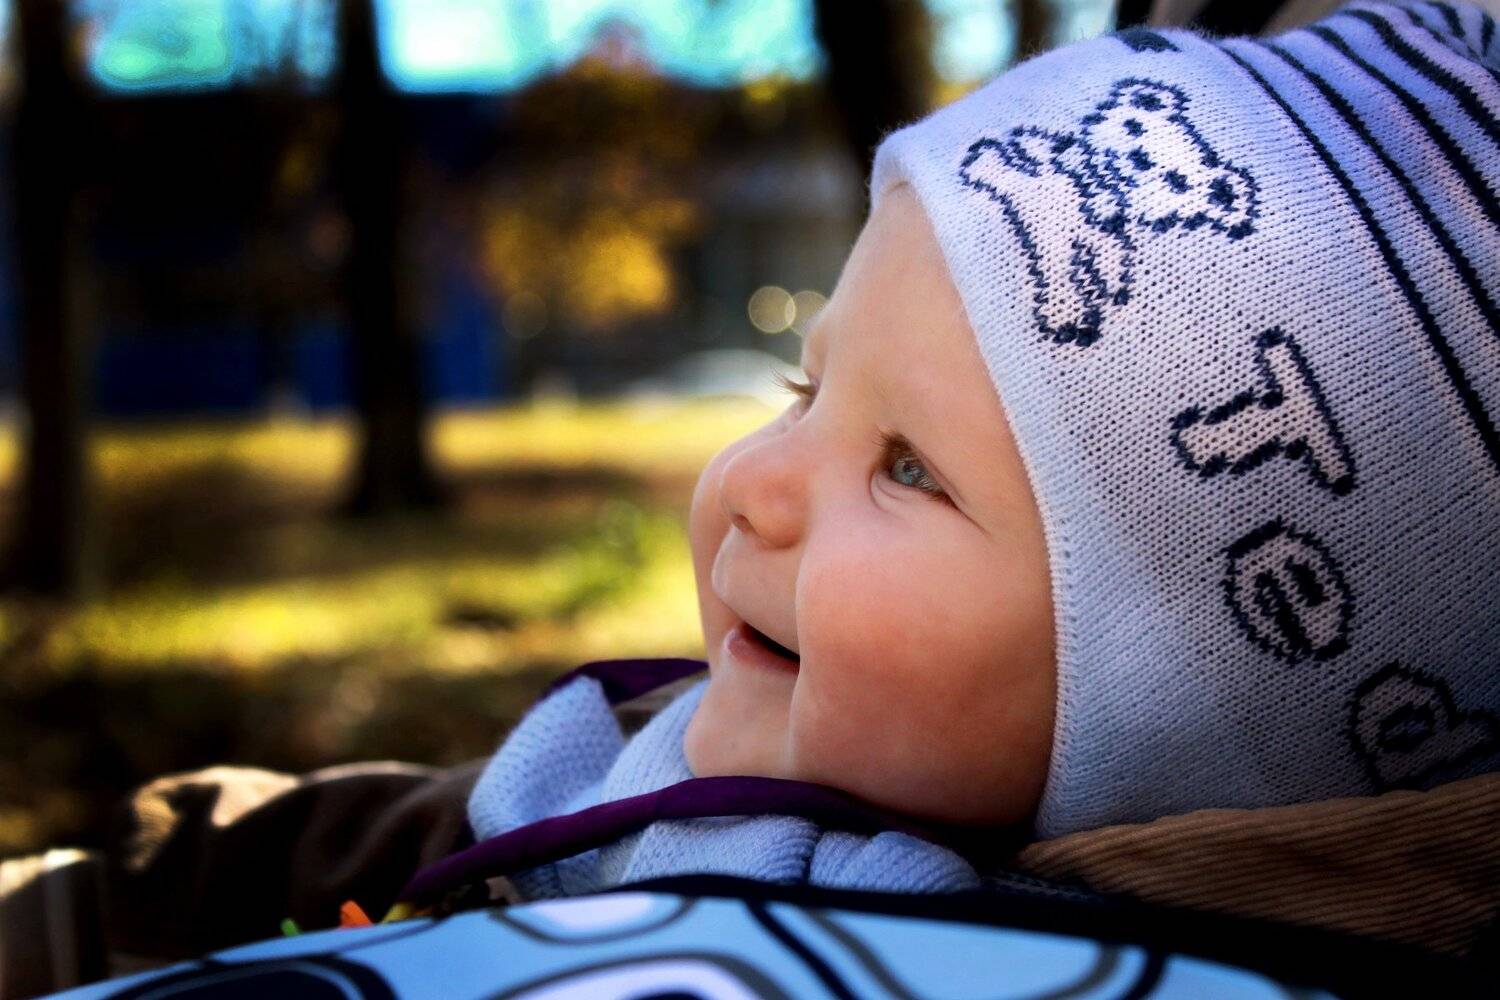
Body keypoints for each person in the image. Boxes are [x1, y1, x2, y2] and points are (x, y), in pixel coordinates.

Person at [6, 1, 1498, 992]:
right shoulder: (656, 772)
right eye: (802, 388)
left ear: (1185, 714)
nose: (750, 483)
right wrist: (84, 907)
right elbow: (397, 845)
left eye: (908, 469)